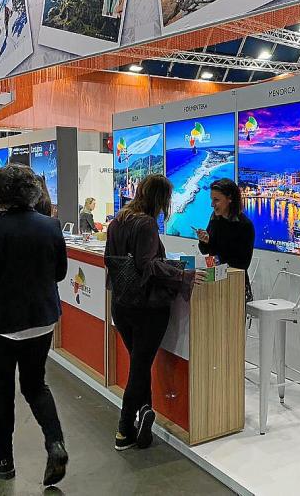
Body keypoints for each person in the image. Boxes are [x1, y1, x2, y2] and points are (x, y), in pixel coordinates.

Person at [0, 164, 68, 484]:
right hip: (42, 320)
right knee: (36, 385)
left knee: (1, 392)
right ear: (33, 191)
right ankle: (55, 442)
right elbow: (60, 273)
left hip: (2, 325)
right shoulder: (51, 226)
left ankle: (3, 460)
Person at [105, 174, 204, 450]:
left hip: (121, 305)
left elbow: (111, 261)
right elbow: (147, 265)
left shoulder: (118, 221)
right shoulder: (146, 224)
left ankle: (145, 412)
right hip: (147, 309)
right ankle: (124, 429)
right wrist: (182, 274)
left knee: (140, 363)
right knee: (139, 367)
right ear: (161, 199)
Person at [196, 178, 256, 301]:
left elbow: (242, 264)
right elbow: (205, 250)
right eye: (212, 200)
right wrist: (204, 240)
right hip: (214, 281)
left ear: (230, 199)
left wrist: (214, 259)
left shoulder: (245, 226)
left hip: (234, 286)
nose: (212, 205)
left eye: (216, 200)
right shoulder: (215, 219)